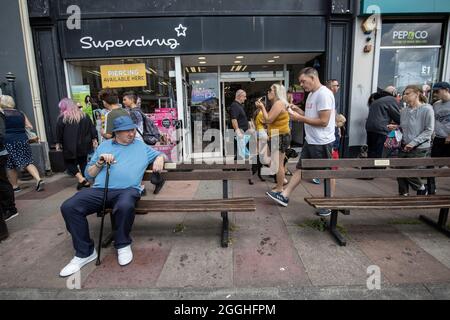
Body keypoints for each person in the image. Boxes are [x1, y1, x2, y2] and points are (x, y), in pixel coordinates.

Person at [59, 115, 165, 277]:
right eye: (127, 131)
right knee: (69, 207)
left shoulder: (140, 146)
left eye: (132, 130)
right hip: (101, 190)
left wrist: (159, 158)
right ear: (116, 132)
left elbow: (161, 154)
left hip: (128, 190)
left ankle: (122, 244)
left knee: (124, 205)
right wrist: (100, 162)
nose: (131, 134)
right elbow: (89, 176)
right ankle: (85, 252)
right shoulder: (104, 146)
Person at [265, 68, 335, 217]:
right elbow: (310, 115)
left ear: (313, 77)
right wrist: (298, 110)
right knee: (300, 169)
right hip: (311, 140)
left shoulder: (324, 94)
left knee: (327, 173)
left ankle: (330, 203)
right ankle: (284, 195)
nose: (301, 84)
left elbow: (323, 121)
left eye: (303, 81)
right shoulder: (311, 95)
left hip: (322, 142)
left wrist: (299, 118)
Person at [387, 85, 434, 196]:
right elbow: (405, 127)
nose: (404, 96)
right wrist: (397, 127)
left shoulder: (427, 109)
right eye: (404, 93)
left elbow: (429, 130)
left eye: (408, 93)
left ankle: (421, 188)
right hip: (404, 144)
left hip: (419, 146)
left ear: (417, 94)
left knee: (409, 170)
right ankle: (403, 194)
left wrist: (413, 143)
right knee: (399, 170)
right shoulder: (404, 111)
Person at [122, 91, 165, 195]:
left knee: (137, 163)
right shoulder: (137, 111)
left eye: (125, 99)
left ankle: (147, 185)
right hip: (140, 141)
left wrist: (132, 140)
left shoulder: (133, 112)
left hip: (138, 141)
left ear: (131, 100)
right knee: (143, 162)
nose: (123, 102)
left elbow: (136, 129)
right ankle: (154, 181)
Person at [0, 95, 44, 193]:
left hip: (9, 141)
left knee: (10, 164)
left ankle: (15, 186)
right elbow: (29, 126)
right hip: (23, 139)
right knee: (27, 161)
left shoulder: (2, 114)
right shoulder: (20, 113)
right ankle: (38, 179)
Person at [55, 98, 98, 190]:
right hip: (84, 144)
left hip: (69, 145)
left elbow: (59, 132)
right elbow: (92, 128)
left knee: (68, 163)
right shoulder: (85, 116)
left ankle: (81, 179)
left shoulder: (63, 118)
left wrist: (58, 142)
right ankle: (84, 181)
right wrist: (94, 139)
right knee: (83, 162)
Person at [256, 84, 291, 193]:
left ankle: (280, 187)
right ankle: (280, 184)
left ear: (276, 92)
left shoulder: (279, 103)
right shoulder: (279, 103)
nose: (268, 92)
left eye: (270, 90)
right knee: (275, 162)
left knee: (278, 164)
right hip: (278, 135)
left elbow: (268, 119)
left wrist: (261, 107)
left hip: (279, 136)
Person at [427, 82, 450, 195]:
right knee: (431, 163)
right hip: (439, 138)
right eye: (434, 91)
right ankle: (431, 188)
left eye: (438, 91)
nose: (436, 94)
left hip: (449, 138)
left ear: (446, 90)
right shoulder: (436, 105)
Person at [365, 86, 401, 158]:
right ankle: (379, 169)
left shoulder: (377, 99)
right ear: (393, 93)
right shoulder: (391, 99)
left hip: (370, 128)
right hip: (380, 129)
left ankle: (368, 168)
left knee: (371, 152)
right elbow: (397, 116)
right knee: (380, 154)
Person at [1, 103, 17, 236]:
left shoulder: (3, 115)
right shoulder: (19, 113)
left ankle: (10, 208)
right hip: (9, 146)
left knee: (3, 181)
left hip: (3, 150)